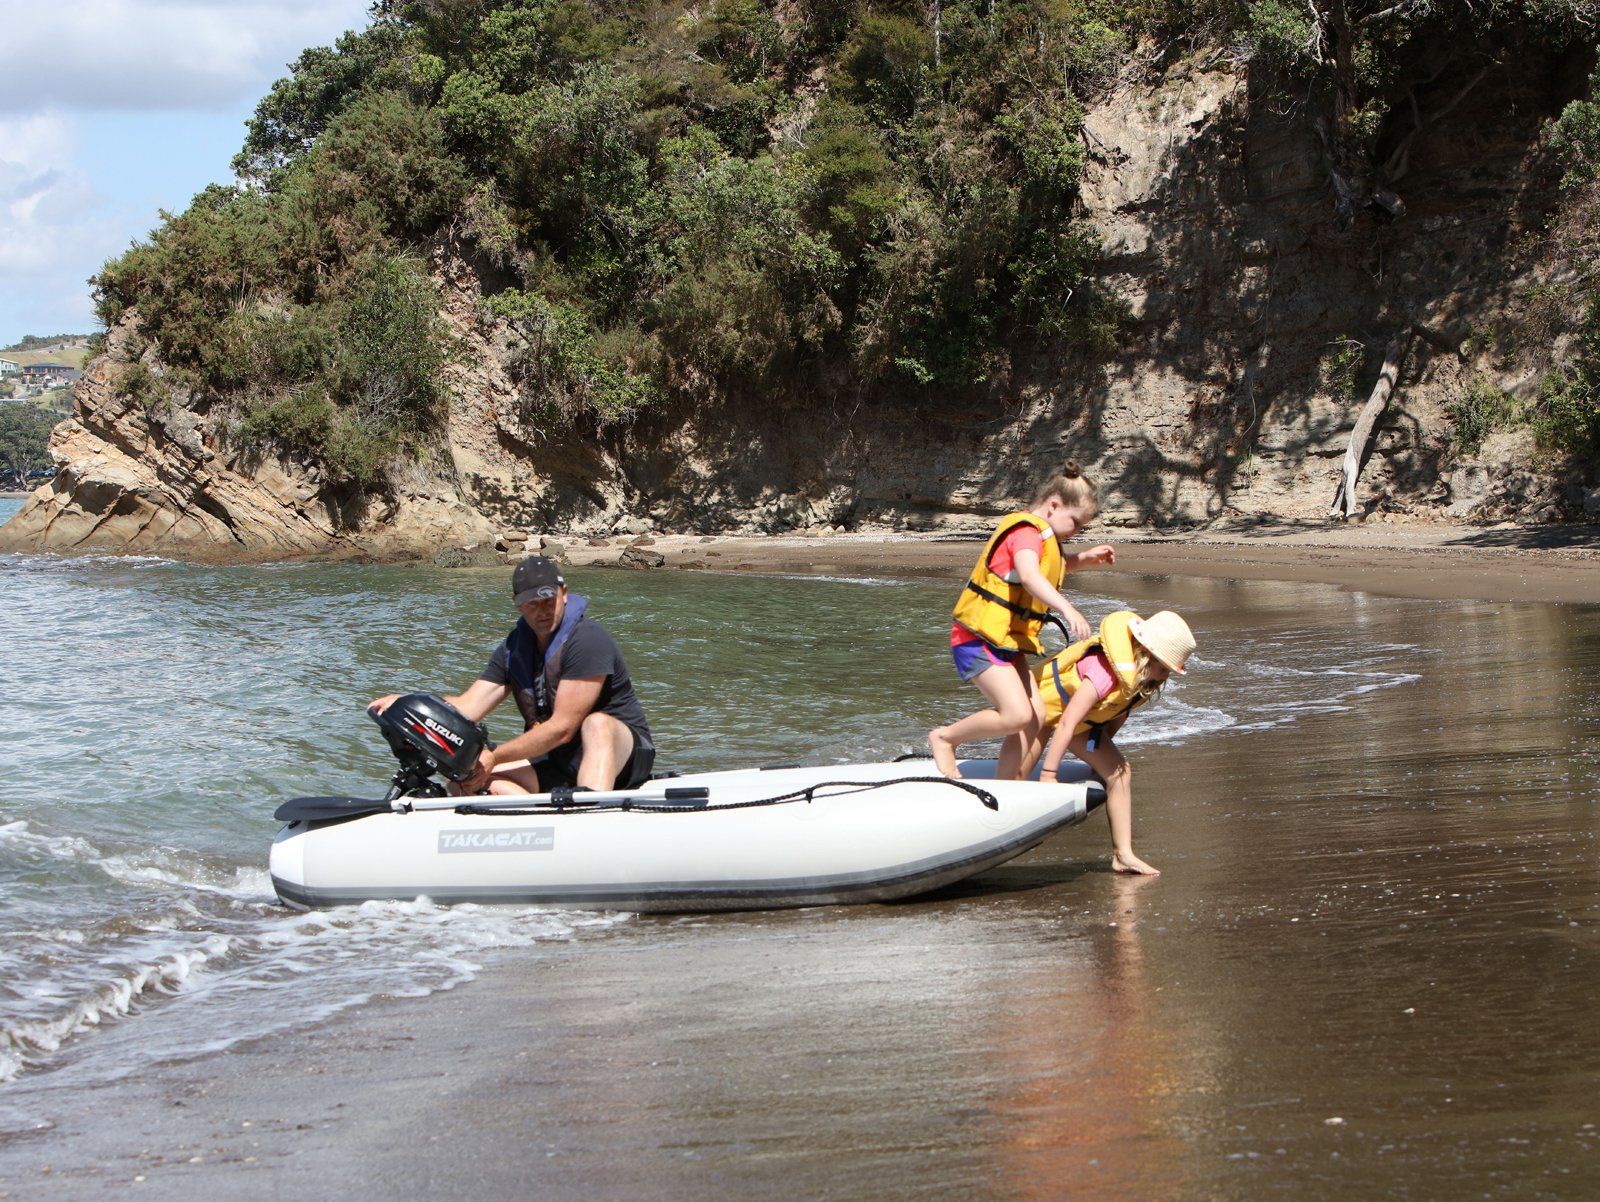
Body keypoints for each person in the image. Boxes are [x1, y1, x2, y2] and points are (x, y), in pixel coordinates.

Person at [369, 555, 654, 794]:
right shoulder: (514, 647)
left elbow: (562, 729)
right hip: (559, 761)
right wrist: (406, 704)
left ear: (564, 593)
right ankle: (538, 829)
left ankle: (590, 816)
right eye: (532, 603)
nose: (542, 611)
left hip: (622, 754)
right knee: (465, 783)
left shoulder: (587, 639)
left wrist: (494, 757)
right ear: (517, 603)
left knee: (596, 724)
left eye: (548, 600)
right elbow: (468, 707)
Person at [928, 463, 1115, 780]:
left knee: (1035, 717)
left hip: (1005, 641)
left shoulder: (1043, 537)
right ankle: (945, 738)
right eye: (1075, 523)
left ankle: (1005, 783)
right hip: (975, 640)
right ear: (1053, 505)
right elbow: (1029, 576)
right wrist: (1068, 609)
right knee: (1016, 715)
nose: (1076, 532)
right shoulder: (1025, 532)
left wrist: (1086, 559)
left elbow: (1052, 566)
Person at [1029, 609, 1196, 876]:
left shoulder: (1138, 678)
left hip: (1079, 728)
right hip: (1041, 711)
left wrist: (1100, 759)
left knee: (1120, 772)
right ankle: (955, 740)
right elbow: (1067, 721)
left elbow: (1117, 714)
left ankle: (1123, 855)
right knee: (1016, 773)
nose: (1165, 676)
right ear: (1145, 654)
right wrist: (1049, 774)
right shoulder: (1105, 671)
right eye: (1164, 668)